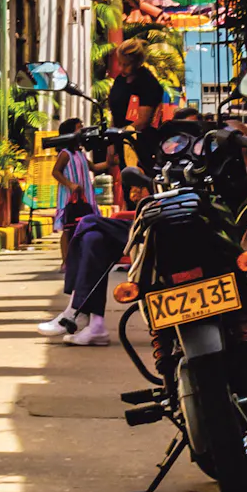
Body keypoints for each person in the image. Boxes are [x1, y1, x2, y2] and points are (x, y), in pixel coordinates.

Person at [57, 164, 151, 345]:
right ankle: (96, 325)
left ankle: (75, 308)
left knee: (88, 222)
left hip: (153, 229)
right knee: (93, 239)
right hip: (144, 227)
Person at [39, 119, 99, 337]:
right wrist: (70, 185)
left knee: (84, 227)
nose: (82, 131)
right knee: (68, 227)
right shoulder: (65, 152)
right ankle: (66, 260)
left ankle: (77, 257)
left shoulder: (82, 153)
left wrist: (111, 159)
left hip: (85, 196)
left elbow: (95, 168)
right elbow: (56, 172)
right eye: (78, 129)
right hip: (70, 196)